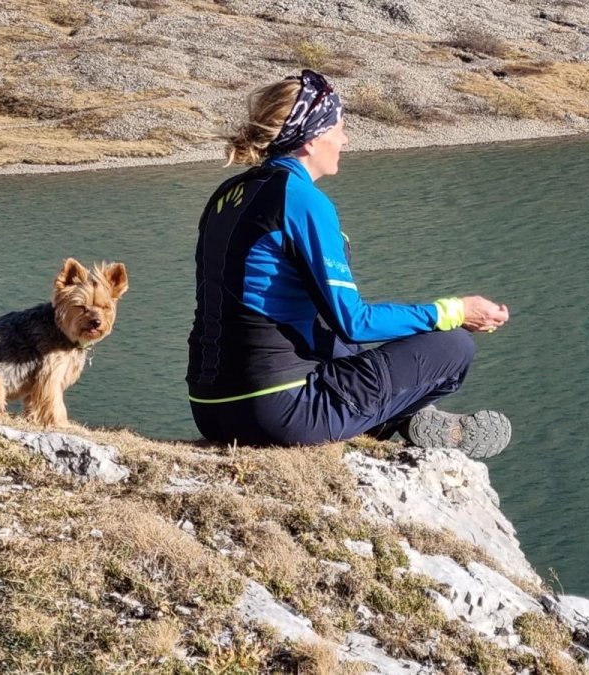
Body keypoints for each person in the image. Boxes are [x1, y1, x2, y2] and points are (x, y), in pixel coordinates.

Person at [185, 69, 512, 457]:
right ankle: (396, 417)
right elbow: (355, 321)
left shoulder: (227, 193)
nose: (345, 139)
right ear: (311, 138)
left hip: (210, 410)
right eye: (339, 128)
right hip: (278, 413)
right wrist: (454, 310)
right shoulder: (301, 199)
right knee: (453, 346)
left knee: (334, 339)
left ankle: (401, 416)